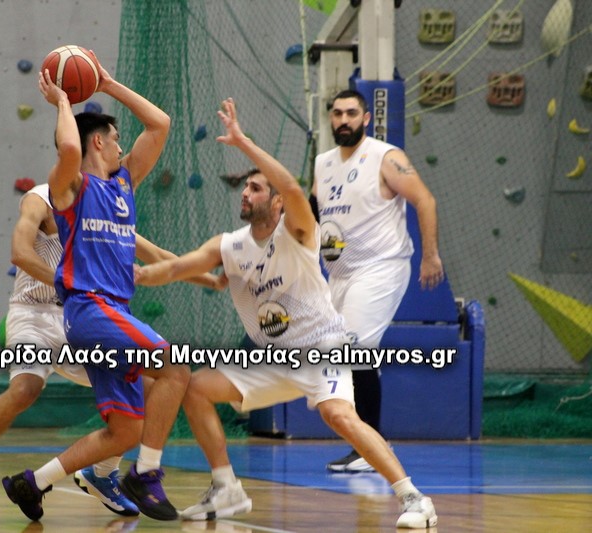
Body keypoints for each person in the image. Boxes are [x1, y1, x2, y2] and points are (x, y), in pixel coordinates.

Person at [135, 98, 438, 529]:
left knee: (339, 416)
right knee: (197, 387)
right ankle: (226, 488)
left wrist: (243, 142)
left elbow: (294, 190)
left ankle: (414, 498)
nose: (246, 192)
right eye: (245, 187)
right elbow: (175, 268)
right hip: (274, 357)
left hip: (321, 346)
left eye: (257, 188)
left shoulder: (297, 232)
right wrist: (137, 275)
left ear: (277, 203)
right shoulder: (230, 245)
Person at [0, 183, 222, 515]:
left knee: (151, 388)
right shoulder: (41, 199)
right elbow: (20, 253)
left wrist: (211, 279)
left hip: (79, 318)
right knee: (25, 389)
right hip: (34, 313)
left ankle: (103, 473)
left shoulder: (104, 209)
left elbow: (159, 256)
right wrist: (68, 282)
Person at [1, 55, 189, 522]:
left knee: (124, 431)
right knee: (175, 368)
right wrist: (64, 101)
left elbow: (160, 124)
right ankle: (146, 474)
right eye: (116, 138)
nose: (123, 146)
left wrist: (107, 84)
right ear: (99, 141)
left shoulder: (123, 184)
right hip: (91, 310)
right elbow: (69, 147)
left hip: (110, 316)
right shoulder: (70, 189)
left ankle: (32, 482)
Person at [312, 89, 444, 473]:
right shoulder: (323, 163)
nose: (344, 120)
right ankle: (365, 447)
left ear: (366, 118)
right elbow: (312, 212)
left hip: (380, 268)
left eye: (351, 113)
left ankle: (372, 449)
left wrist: (430, 255)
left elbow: (425, 200)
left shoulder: (386, 157)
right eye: (337, 113)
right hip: (339, 274)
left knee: (354, 350)